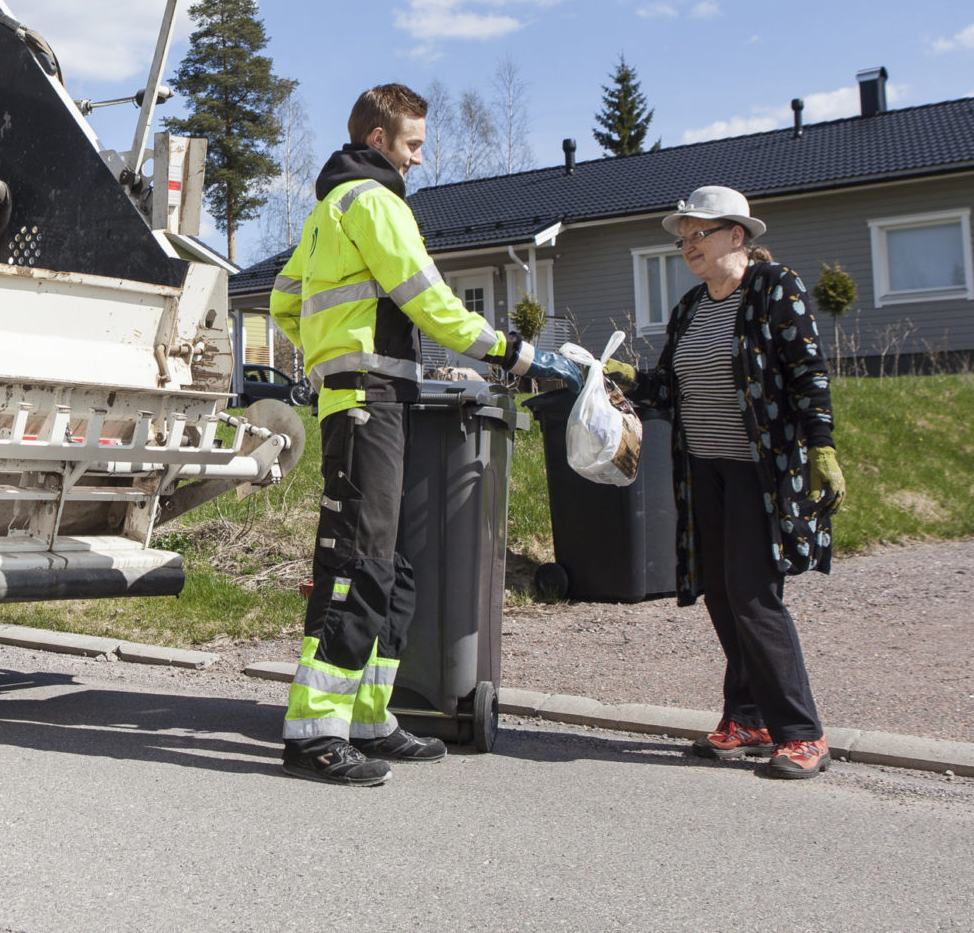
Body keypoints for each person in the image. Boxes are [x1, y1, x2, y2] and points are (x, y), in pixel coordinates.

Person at [269, 83, 584, 786]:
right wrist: (519, 353)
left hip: (371, 396)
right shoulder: (376, 203)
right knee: (358, 564)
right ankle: (314, 730)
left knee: (391, 568)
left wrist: (327, 356)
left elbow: (285, 300)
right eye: (412, 144)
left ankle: (368, 714)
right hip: (368, 400)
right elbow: (431, 300)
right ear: (379, 140)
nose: (418, 158)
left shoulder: (328, 208)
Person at [614, 186, 848, 779]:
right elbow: (669, 388)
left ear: (737, 236)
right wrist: (620, 379)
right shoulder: (691, 306)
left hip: (759, 471)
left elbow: (807, 373)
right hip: (703, 471)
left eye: (700, 233)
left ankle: (802, 733)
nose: (688, 245)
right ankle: (747, 717)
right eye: (683, 237)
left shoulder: (776, 289)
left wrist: (821, 446)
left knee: (752, 594)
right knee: (718, 590)